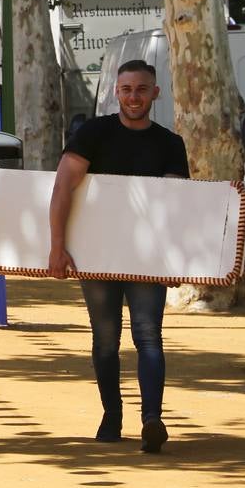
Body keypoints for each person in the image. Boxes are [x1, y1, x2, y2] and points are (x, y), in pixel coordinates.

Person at [48, 59, 189, 453]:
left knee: (149, 337)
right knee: (105, 340)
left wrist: (173, 259)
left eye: (142, 89)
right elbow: (62, 188)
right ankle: (112, 416)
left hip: (147, 259)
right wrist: (57, 246)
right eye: (126, 90)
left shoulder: (169, 143)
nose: (133, 97)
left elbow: (174, 207)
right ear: (116, 92)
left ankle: (151, 420)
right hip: (96, 258)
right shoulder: (93, 133)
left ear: (155, 93)